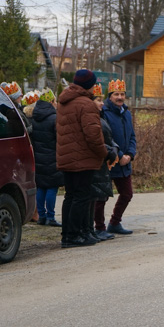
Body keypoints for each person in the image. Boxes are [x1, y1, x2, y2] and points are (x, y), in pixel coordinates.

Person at [56, 69, 108, 248]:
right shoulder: (86, 104)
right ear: (89, 85)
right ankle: (76, 235)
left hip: (66, 156)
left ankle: (67, 235)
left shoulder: (64, 101)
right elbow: (93, 135)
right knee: (81, 197)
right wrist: (104, 153)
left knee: (70, 196)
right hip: (83, 158)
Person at [100, 79, 137, 235]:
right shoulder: (104, 113)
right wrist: (119, 155)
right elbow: (107, 138)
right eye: (116, 94)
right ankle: (99, 227)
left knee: (127, 194)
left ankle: (115, 223)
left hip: (125, 162)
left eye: (122, 94)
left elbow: (132, 136)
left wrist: (129, 154)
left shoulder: (127, 113)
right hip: (110, 160)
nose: (120, 97)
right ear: (110, 96)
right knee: (102, 197)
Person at [30, 88, 63, 226]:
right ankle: (51, 216)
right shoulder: (54, 118)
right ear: (51, 102)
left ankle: (41, 216)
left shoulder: (34, 117)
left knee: (41, 187)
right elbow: (59, 138)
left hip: (38, 157)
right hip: (51, 157)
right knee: (52, 187)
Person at [90, 84, 119, 241]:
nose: (102, 103)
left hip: (104, 160)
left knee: (101, 196)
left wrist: (114, 147)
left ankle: (98, 227)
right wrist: (110, 150)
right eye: (98, 100)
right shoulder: (94, 120)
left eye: (102, 100)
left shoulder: (100, 118)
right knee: (98, 197)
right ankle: (98, 227)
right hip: (98, 161)